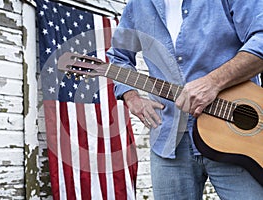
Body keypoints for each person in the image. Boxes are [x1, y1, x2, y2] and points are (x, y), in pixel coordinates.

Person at [106, 0, 263, 199]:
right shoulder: (138, 5)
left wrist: (214, 82)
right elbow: (119, 57)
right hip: (168, 140)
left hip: (238, 138)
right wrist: (131, 96)